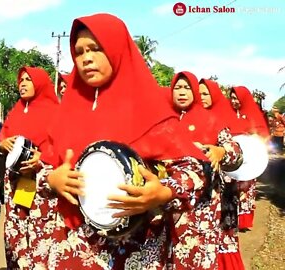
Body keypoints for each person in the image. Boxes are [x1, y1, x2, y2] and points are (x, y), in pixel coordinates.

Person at [39, 13, 216, 269]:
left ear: (117, 49)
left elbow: (195, 171)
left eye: (96, 49)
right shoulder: (66, 113)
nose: (86, 58)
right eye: (79, 52)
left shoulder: (150, 111)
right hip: (73, 246)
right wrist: (52, 180)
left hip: (135, 250)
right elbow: (45, 167)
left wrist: (163, 192)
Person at [0, 66, 60, 269]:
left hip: (41, 187)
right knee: (16, 235)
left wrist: (43, 157)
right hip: (15, 187)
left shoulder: (56, 111)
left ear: (39, 83)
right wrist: (3, 144)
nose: (22, 83)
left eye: (28, 79)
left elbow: (64, 146)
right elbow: (1, 141)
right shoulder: (15, 112)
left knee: (41, 236)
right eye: (20, 80)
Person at [199, 78, 247, 270]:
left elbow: (235, 150)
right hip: (196, 189)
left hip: (221, 187)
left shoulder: (221, 120)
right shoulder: (187, 119)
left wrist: (220, 154)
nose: (201, 97)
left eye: (205, 93)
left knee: (221, 233)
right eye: (199, 93)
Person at [229, 86, 270, 230]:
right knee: (230, 187)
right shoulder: (227, 113)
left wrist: (253, 139)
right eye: (232, 98)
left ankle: (244, 221)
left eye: (237, 98)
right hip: (232, 157)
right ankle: (230, 218)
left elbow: (263, 134)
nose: (234, 101)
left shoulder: (254, 114)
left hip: (248, 158)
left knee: (245, 189)